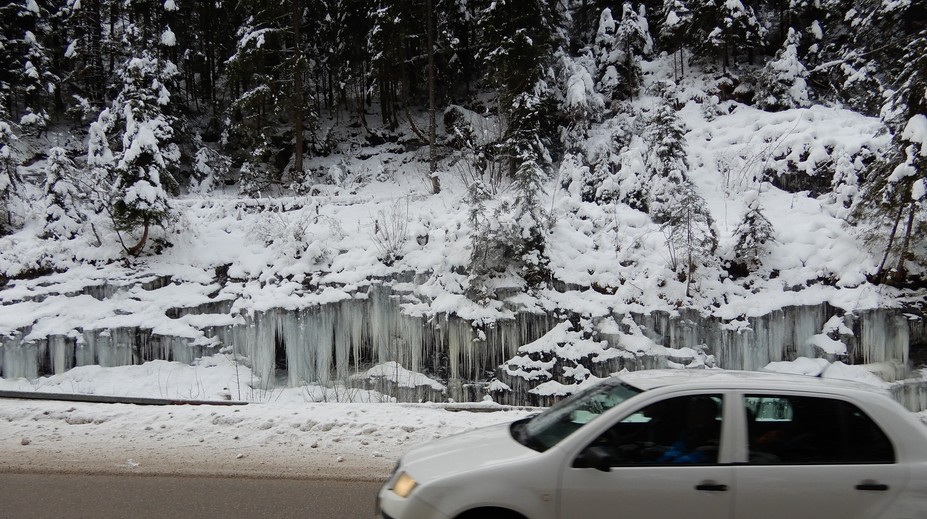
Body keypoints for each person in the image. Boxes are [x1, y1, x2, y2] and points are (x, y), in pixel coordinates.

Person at [655, 396, 721, 464]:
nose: (692, 415)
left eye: (698, 411)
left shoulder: (716, 436)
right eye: (690, 411)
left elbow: (685, 461)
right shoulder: (688, 433)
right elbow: (676, 451)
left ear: (711, 414)